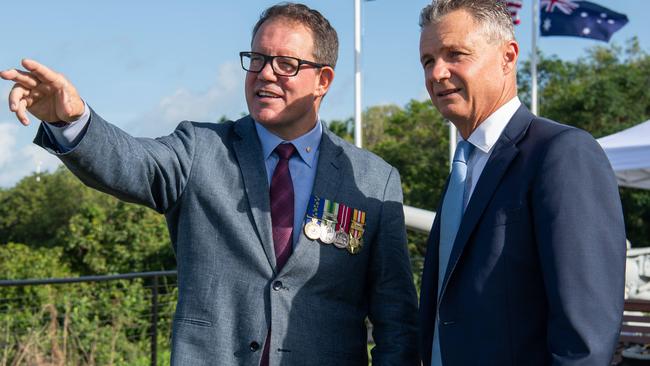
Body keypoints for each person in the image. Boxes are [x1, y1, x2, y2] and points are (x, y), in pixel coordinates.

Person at [1, 3, 419, 365]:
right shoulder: (200, 148)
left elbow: (395, 317)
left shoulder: (372, 180)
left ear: (323, 80)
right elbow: (129, 162)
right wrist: (71, 121)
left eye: (285, 64)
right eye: (256, 59)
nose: (264, 73)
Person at [416, 0, 626, 365]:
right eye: (428, 60)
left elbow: (585, 339)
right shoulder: (464, 167)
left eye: (455, 54)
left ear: (507, 57)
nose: (437, 73)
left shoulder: (562, 154)